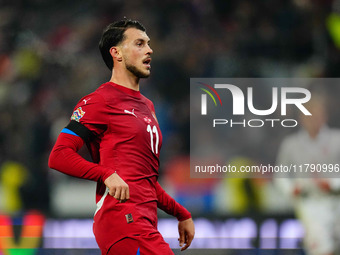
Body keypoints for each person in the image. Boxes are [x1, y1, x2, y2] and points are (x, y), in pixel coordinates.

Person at [48, 19, 195, 255]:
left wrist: (181, 212)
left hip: (144, 222)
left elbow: (144, 180)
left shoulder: (148, 107)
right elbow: (59, 155)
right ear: (116, 53)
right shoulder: (100, 100)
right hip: (122, 219)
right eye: (139, 43)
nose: (149, 50)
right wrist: (105, 174)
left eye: (148, 44)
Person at [275, 93, 340, 255]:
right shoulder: (291, 144)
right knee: (321, 247)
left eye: (316, 116)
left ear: (324, 117)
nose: (313, 120)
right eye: (309, 116)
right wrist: (291, 189)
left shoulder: (337, 140)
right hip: (309, 202)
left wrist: (333, 184)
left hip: (336, 199)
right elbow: (280, 175)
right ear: (301, 118)